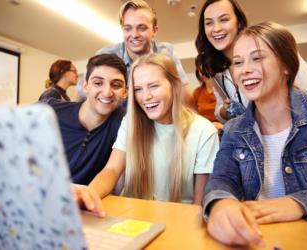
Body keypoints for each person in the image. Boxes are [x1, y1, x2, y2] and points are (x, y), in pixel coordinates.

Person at [203, 21, 307, 248]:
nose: (245, 69)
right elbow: (222, 179)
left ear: (286, 66)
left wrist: (300, 202)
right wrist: (220, 204)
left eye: (257, 58)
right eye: (238, 62)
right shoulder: (234, 129)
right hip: (261, 239)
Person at [73, 53, 220, 216]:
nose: (145, 97)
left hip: (177, 222)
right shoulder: (130, 121)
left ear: (175, 85)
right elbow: (112, 170)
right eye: (138, 89)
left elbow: (198, 206)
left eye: (154, 86)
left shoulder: (204, 132)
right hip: (129, 218)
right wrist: (89, 195)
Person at [195, 0, 307, 123]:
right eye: (209, 23)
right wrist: (225, 111)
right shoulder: (217, 71)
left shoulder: (272, 46)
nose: (216, 28)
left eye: (224, 20)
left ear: (239, 22)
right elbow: (221, 112)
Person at [77, 0, 195, 109]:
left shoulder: (166, 52)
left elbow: (184, 96)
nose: (134, 35)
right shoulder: (106, 54)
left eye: (142, 28)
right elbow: (82, 93)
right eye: (128, 28)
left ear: (154, 30)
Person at [45, 54, 127, 185]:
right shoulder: (50, 110)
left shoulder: (124, 123)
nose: (107, 92)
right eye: (98, 83)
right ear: (85, 86)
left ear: (125, 92)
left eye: (116, 85)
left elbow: (112, 171)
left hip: (83, 202)